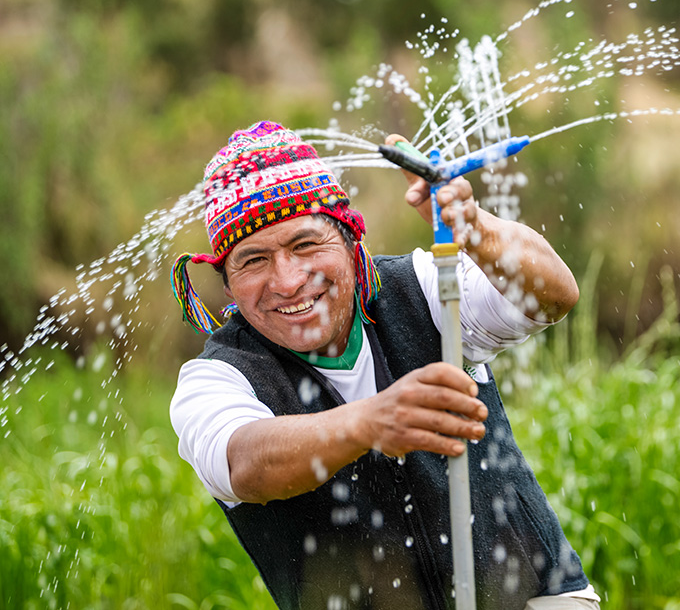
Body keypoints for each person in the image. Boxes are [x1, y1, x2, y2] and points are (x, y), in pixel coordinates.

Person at [169, 121, 601, 610]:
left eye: (306, 245)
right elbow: (245, 464)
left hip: (535, 598)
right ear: (226, 283)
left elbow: (551, 296)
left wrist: (473, 227)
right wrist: (371, 422)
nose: (287, 281)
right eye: (253, 261)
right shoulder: (216, 377)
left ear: (352, 245)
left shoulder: (427, 286)